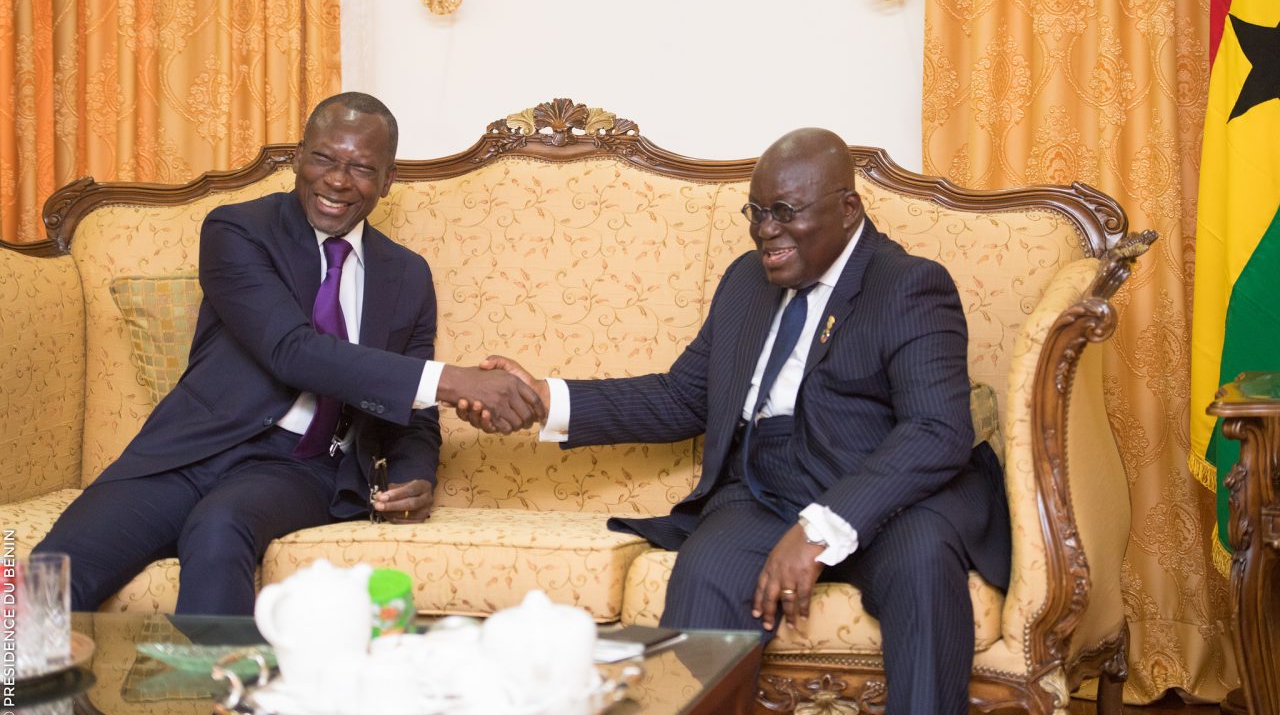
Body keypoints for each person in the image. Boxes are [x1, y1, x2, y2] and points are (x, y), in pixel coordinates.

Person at [458, 128, 1011, 714]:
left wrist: (819, 530)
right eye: (757, 212)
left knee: (923, 565)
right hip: (766, 486)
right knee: (707, 570)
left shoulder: (908, 284)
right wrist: (544, 398)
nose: (766, 229)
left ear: (848, 209)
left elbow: (936, 430)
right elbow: (682, 397)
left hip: (884, 490)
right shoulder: (747, 281)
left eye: (785, 212)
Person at [34, 92, 544, 615]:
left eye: (361, 168)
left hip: (299, 466)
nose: (337, 180)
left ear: (388, 180)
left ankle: (223, 674)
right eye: (323, 158)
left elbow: (414, 411)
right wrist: (452, 379)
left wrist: (415, 475)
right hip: (190, 451)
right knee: (45, 582)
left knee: (219, 527)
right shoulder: (238, 230)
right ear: (300, 157)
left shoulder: (407, 274)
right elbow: (291, 350)